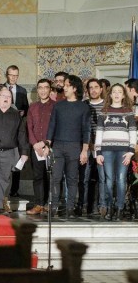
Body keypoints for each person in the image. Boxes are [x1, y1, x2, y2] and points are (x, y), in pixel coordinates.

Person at [45, 75, 91, 219]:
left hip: (74, 147)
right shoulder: (58, 105)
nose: (64, 87)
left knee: (72, 179)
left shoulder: (84, 107)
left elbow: (86, 130)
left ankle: (70, 208)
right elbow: (51, 126)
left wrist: (84, 151)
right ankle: (53, 207)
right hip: (57, 146)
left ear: (74, 88)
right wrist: (47, 145)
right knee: (55, 177)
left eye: (66, 85)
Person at [95, 83, 137, 221]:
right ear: (110, 94)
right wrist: (98, 152)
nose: (117, 94)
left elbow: (133, 133)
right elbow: (99, 133)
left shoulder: (128, 112)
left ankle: (119, 208)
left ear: (124, 95)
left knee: (120, 180)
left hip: (123, 151)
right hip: (106, 150)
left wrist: (131, 151)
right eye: (114, 92)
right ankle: (109, 207)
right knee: (108, 181)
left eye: (120, 91)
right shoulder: (103, 112)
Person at [26, 79, 56, 215]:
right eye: (40, 88)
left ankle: (49, 204)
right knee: (38, 176)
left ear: (50, 90)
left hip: (51, 147)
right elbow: (29, 127)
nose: (43, 90)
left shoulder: (56, 106)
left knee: (51, 176)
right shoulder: (32, 107)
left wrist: (47, 144)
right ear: (37, 90)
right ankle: (38, 204)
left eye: (46, 87)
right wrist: (35, 144)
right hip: (36, 148)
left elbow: (56, 127)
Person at [77, 78, 105, 217]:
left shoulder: (107, 105)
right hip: (86, 147)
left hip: (103, 148)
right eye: (90, 87)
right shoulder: (83, 105)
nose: (93, 90)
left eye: (96, 87)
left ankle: (101, 206)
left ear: (101, 89)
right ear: (87, 90)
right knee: (85, 178)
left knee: (102, 178)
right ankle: (83, 205)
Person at [4, 65, 29, 197]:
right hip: (4, 130)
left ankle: (15, 189)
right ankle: (4, 189)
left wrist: (22, 113)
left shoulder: (22, 91)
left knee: (18, 159)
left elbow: (27, 110)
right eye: (11, 75)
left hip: (18, 129)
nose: (13, 78)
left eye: (16, 75)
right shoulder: (1, 89)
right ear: (6, 75)